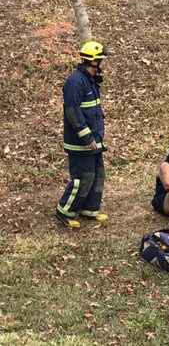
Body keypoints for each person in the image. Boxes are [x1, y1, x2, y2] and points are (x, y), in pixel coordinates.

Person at [56, 41, 109, 228]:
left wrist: (99, 111)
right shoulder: (75, 82)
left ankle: (89, 209)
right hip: (81, 142)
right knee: (82, 178)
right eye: (101, 59)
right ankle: (65, 210)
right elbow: (72, 112)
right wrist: (87, 137)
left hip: (94, 139)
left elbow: (88, 104)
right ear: (93, 61)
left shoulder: (90, 79)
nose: (103, 63)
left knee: (98, 175)